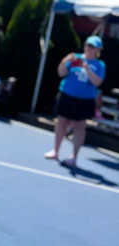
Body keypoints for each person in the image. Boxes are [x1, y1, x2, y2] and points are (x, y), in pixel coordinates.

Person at [45, 36, 106, 168]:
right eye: (88, 45)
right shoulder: (75, 58)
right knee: (61, 122)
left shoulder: (99, 65)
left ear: (97, 50)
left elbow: (97, 82)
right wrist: (65, 60)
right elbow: (61, 72)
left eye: (92, 47)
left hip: (84, 99)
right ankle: (55, 151)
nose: (89, 48)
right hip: (67, 95)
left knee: (79, 126)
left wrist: (87, 69)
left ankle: (74, 156)